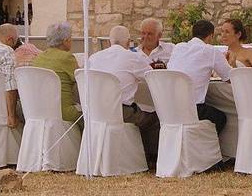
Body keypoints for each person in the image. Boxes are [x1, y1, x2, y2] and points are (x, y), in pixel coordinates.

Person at [89, 26, 160, 161]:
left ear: (109, 42)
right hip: (119, 112)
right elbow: (152, 77)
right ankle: (151, 158)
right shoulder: (132, 57)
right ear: (128, 43)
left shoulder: (94, 58)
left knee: (142, 113)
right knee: (153, 119)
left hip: (95, 111)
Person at [167, 19, 231, 134]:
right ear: (210, 36)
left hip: (170, 108)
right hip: (192, 109)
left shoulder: (178, 48)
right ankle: (203, 145)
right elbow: (229, 77)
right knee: (221, 118)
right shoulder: (210, 50)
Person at [31, 22, 81, 125]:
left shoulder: (38, 57)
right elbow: (81, 80)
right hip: (62, 112)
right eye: (70, 37)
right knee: (91, 116)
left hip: (40, 110)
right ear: (65, 40)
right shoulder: (67, 57)